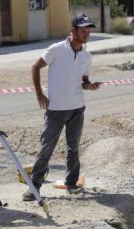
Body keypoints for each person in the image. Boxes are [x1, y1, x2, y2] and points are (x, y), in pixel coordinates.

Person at [23, 13, 101, 201]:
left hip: (77, 108)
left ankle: (71, 184)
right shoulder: (56, 50)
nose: (86, 34)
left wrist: (89, 86)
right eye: (83, 30)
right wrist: (39, 94)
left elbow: (83, 81)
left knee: (73, 147)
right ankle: (34, 186)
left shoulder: (86, 56)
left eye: (88, 31)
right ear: (73, 31)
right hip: (56, 109)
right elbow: (35, 67)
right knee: (46, 148)